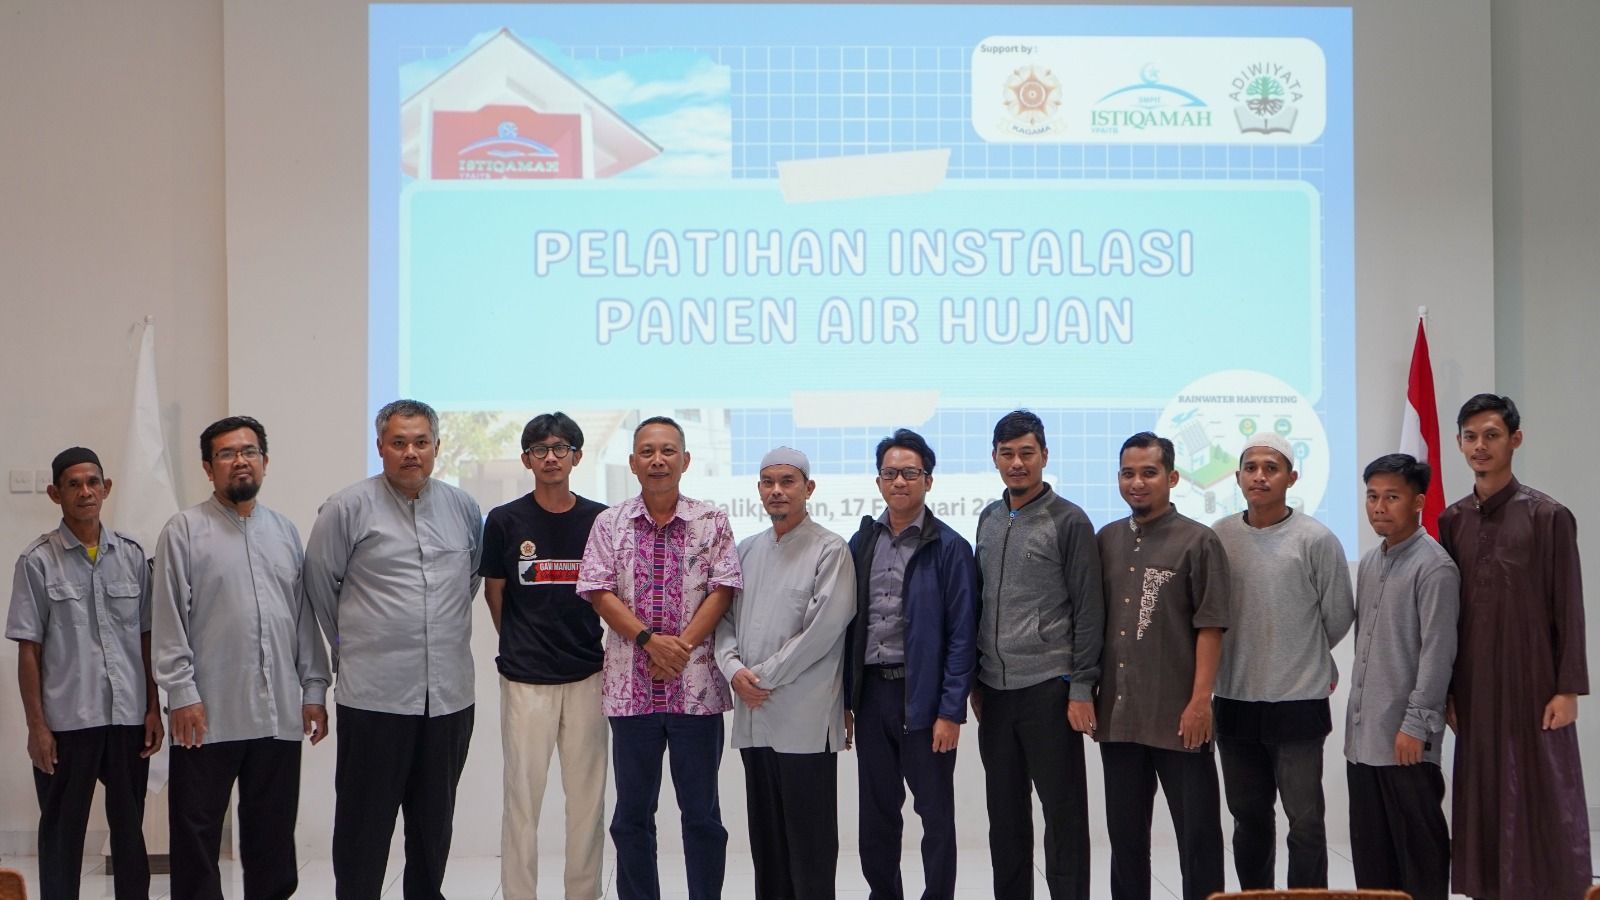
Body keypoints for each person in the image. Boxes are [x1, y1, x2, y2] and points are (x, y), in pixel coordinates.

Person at [303, 399, 483, 900]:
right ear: (380, 446)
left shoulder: (464, 508)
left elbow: (467, 582)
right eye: (399, 442)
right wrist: (357, 646)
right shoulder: (346, 508)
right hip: (375, 698)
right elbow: (320, 588)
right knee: (364, 825)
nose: (411, 453)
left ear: (437, 447)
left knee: (433, 824)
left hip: (448, 698)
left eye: (421, 442)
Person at [153, 415, 331, 900]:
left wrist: (314, 689)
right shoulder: (184, 531)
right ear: (208, 468)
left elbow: (302, 618)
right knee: (196, 834)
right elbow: (168, 618)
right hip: (207, 713)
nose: (240, 461)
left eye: (249, 452)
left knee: (272, 835)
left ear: (265, 462)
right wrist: (181, 693)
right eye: (227, 454)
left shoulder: (285, 531)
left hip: (277, 713)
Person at [577, 415, 740, 900]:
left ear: (685, 460)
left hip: (697, 694)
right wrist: (651, 641)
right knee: (631, 816)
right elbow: (598, 591)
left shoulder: (712, 521)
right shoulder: (609, 523)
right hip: (631, 694)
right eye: (647, 452)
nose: (658, 460)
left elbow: (722, 590)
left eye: (668, 451)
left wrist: (679, 648)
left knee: (702, 815)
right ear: (632, 463)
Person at [1440, 393, 1589, 899]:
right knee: (1483, 791)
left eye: (1492, 435)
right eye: (1471, 437)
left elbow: (1568, 606)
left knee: (1544, 793)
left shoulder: (1549, 515)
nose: (1480, 446)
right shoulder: (1452, 520)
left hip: (1534, 682)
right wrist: (1448, 690)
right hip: (1475, 685)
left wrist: (1568, 689)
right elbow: (1448, 616)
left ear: (1515, 440)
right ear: (1459, 444)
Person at [7, 447, 161, 900]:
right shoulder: (37, 561)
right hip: (67, 723)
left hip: (127, 719)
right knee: (62, 834)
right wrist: (37, 727)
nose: (85, 492)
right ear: (55, 494)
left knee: (130, 831)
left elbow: (148, 638)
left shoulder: (132, 556)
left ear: (106, 488)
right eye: (73, 484)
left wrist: (154, 708)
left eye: (93, 482)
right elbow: (29, 649)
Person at [1210, 431, 1354, 889]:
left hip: (1298, 702)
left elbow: (1337, 615)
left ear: (1291, 478)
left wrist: (1300, 653)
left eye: (1271, 468)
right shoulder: (1219, 537)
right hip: (1234, 700)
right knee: (1248, 819)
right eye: (1251, 468)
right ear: (1237, 477)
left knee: (1305, 824)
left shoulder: (1316, 539)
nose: (1260, 476)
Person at [972, 410, 1103, 900]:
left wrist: (1082, 687)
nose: (1017, 463)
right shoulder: (988, 517)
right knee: (1004, 818)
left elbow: (1089, 609)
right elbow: (979, 601)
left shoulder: (1069, 520)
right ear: (994, 458)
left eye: (1027, 453)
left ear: (1044, 456)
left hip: (1051, 688)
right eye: (1007, 454)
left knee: (1063, 816)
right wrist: (975, 681)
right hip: (995, 692)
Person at [715, 447, 856, 900]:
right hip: (755, 717)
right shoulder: (746, 550)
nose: (777, 490)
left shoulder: (830, 549)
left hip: (804, 720)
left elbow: (823, 630)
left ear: (808, 488)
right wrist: (733, 669)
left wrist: (760, 678)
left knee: (810, 846)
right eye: (768, 482)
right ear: (759, 489)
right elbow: (724, 620)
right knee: (768, 844)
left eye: (787, 481)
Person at [479, 412, 609, 900]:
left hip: (588, 676)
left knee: (588, 802)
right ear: (526, 459)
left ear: (577, 456)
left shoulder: (601, 520)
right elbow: (495, 594)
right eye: (539, 450)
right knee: (522, 801)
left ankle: (583, 893)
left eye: (560, 448)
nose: (550, 457)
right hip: (525, 679)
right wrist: (524, 643)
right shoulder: (504, 520)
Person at [1094, 432, 1229, 900]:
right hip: (1119, 718)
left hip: (1179, 717)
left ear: (1172, 477)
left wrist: (1200, 702)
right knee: (1126, 840)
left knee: (1199, 837)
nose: (1137, 482)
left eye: (1149, 473)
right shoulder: (1106, 539)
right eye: (1128, 473)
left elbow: (1211, 626)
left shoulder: (1199, 541)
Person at [843, 428, 976, 900]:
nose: (899, 481)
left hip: (924, 699)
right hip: (872, 694)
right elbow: (846, 626)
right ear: (879, 481)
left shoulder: (950, 547)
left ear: (928, 481)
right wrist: (846, 701)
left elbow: (962, 636)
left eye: (910, 473)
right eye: (890, 473)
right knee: (876, 814)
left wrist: (950, 711)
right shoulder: (860, 542)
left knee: (935, 816)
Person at [1344, 453, 1457, 900]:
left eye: (1391, 497)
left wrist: (1416, 726)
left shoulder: (1435, 567)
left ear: (1418, 502)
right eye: (1372, 496)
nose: (1378, 507)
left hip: (1406, 742)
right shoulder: (1372, 561)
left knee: (1420, 862)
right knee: (1373, 866)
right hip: (1363, 741)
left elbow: (1438, 654)